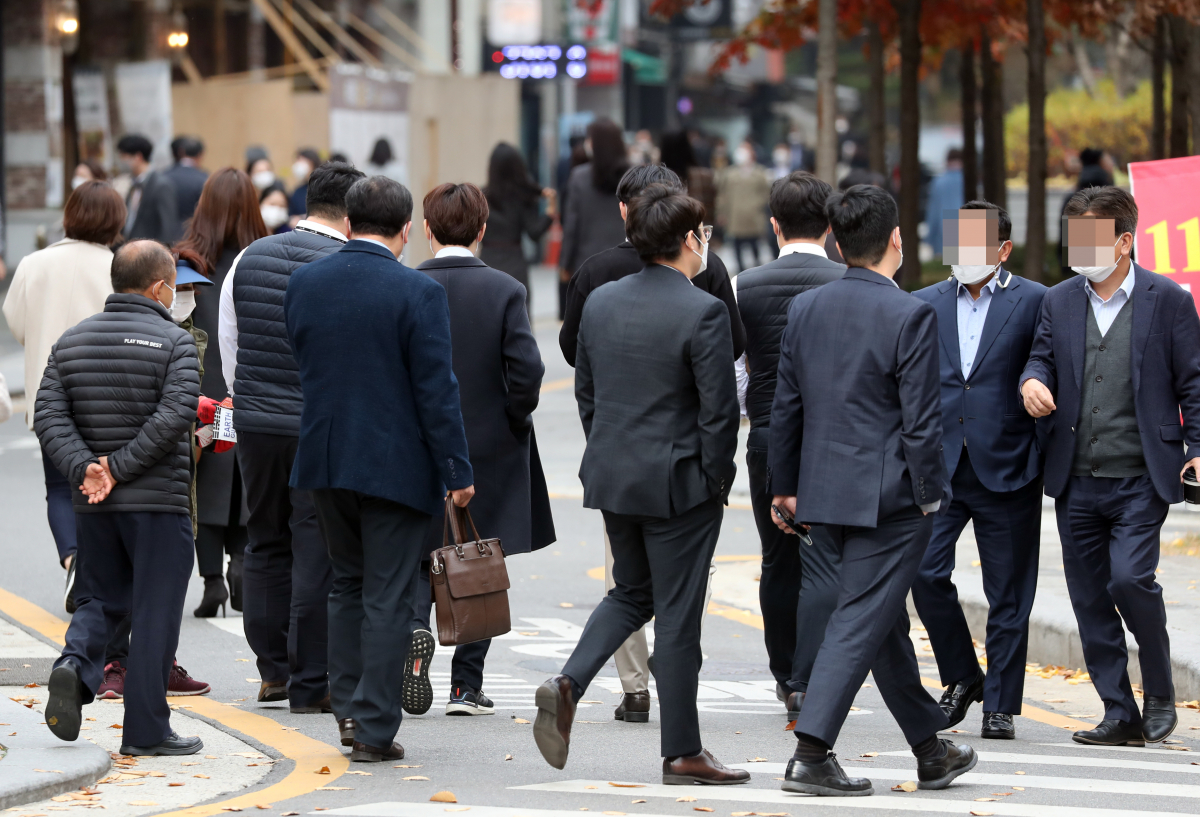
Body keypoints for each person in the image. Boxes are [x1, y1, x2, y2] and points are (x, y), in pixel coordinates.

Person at [532, 184, 746, 785]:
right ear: (686, 241)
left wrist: (608, 447)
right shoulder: (702, 310)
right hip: (681, 483)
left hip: (614, 474)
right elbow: (719, 412)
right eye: (701, 235)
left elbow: (587, 394)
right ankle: (682, 750)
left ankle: (569, 682)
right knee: (678, 616)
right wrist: (714, 479)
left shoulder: (599, 301)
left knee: (631, 591)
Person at [769, 184, 976, 796]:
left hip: (825, 495)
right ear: (895, 241)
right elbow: (921, 420)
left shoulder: (807, 308)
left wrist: (786, 490)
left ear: (836, 240)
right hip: (891, 497)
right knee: (862, 616)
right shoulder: (910, 313)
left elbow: (788, 407)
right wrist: (931, 494)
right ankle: (811, 752)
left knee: (879, 620)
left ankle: (930, 749)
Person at [285, 175, 474, 762]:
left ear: (346, 223)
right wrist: (457, 469)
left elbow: (302, 359)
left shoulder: (305, 283)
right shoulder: (416, 292)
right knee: (388, 596)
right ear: (406, 230)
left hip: (323, 455)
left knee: (346, 583)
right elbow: (436, 391)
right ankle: (372, 725)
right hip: (395, 463)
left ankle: (346, 710)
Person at [1021, 186, 1200, 747]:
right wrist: (1033, 381)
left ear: (1124, 241)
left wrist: (1196, 445)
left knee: (1129, 578)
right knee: (1090, 595)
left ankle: (1161, 689)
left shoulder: (1167, 299)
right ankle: (1118, 711)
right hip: (1075, 474)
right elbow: (1041, 356)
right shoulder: (1058, 300)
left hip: (1142, 473)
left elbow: (1193, 381)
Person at [37, 240, 202, 756]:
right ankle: (147, 730)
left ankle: (73, 666)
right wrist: (118, 466)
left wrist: (87, 466)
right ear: (159, 287)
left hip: (95, 503)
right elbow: (177, 414)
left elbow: (47, 415)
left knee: (99, 597)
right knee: (154, 611)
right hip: (158, 503)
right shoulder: (174, 342)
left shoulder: (71, 341)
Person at [221, 161, 365, 713]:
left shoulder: (249, 257)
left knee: (262, 539)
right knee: (315, 548)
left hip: (256, 423)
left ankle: (271, 670)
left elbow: (231, 345)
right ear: (352, 214)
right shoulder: (345, 265)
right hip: (317, 424)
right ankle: (312, 674)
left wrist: (250, 398)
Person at [411, 182, 554, 716]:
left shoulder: (406, 283)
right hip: (488, 444)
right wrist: (511, 417)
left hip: (418, 443)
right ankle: (465, 685)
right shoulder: (504, 290)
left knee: (419, 554)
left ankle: (413, 643)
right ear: (482, 229)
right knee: (477, 559)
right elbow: (527, 371)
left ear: (426, 229)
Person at [911, 202, 1048, 740]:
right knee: (923, 573)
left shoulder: (1035, 300)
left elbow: (1046, 361)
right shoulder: (923, 302)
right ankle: (963, 677)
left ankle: (1001, 703)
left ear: (1003, 250)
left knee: (1008, 590)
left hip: (1008, 463)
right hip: (939, 466)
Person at [735, 171, 845, 720]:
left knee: (776, 561)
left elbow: (735, 374)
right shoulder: (854, 280)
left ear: (773, 224)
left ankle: (786, 678)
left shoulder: (743, 285)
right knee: (827, 558)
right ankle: (815, 673)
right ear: (829, 225)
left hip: (769, 437)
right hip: (837, 439)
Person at [2, 180, 125, 611]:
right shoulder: (119, 266)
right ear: (116, 219)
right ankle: (97, 570)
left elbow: (15, 322)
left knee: (58, 486)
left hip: (47, 391)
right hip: (106, 396)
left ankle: (73, 558)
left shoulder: (34, 263)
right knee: (101, 486)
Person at [175, 168, 269, 618]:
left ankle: (212, 578)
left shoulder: (186, 268)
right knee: (248, 481)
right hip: (251, 389)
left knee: (205, 480)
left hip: (200, 393)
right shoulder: (264, 261)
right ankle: (243, 565)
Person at [479, 143, 557, 301]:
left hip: (486, 262)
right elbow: (534, 232)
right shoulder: (522, 197)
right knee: (518, 317)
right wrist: (550, 213)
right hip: (515, 264)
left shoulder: (481, 197)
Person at [560, 119, 629, 281]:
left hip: (587, 263)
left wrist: (565, 263)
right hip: (629, 260)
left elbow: (571, 226)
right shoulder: (634, 176)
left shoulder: (579, 177)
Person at [716, 141, 771, 271]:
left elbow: (767, 194)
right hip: (735, 217)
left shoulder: (760, 173)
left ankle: (757, 269)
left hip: (754, 217)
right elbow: (723, 196)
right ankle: (740, 270)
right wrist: (721, 213)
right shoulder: (730, 174)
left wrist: (759, 205)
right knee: (736, 246)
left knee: (755, 245)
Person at [118, 133, 180, 245]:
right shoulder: (133, 183)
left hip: (149, 254)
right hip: (130, 251)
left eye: (124, 156)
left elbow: (167, 227)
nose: (122, 161)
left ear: (138, 157)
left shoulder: (161, 185)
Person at [660, 131, 716, 234]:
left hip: (663, 239)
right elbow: (711, 213)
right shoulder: (704, 177)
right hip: (698, 238)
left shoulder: (656, 180)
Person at [924, 148, 966, 258]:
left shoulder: (939, 182)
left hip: (945, 230)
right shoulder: (970, 181)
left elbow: (933, 212)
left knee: (948, 270)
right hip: (969, 227)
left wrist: (930, 238)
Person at [164, 137, 208, 223]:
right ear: (200, 155)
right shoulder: (205, 179)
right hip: (192, 231)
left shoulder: (163, 176)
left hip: (165, 232)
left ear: (181, 152)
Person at [288, 148, 322, 218]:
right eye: (297, 161)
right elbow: (291, 214)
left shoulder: (322, 188)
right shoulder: (298, 191)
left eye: (303, 162)